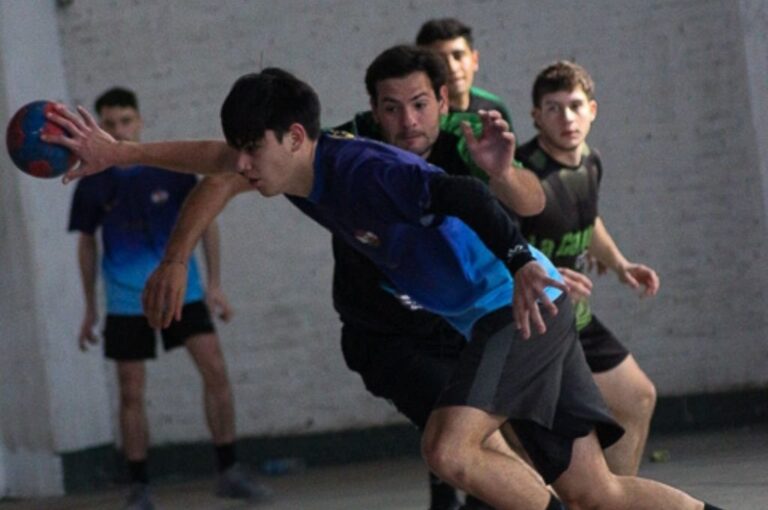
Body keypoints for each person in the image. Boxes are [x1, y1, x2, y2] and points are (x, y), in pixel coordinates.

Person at [50, 70, 723, 510]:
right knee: (595, 490)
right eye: (240, 152)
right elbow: (214, 159)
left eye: (254, 150)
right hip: (513, 313)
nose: (242, 167)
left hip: (516, 309)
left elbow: (460, 191)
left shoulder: (365, 171)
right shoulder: (291, 172)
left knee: (447, 449)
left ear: (294, 136)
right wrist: (123, 153)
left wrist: (521, 262)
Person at [334, 45, 549, 510]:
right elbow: (236, 166)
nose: (407, 121)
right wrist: (176, 257)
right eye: (391, 108)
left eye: (420, 105)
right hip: (390, 332)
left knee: (575, 470)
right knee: (466, 451)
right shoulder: (347, 147)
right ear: (374, 112)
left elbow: (532, 203)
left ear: (444, 102)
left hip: (467, 324)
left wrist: (504, 172)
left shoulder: (467, 140)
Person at [67, 87, 271, 510]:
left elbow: (207, 221)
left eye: (125, 121)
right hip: (126, 300)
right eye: (109, 123)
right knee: (131, 392)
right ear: (101, 126)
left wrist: (214, 284)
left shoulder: (170, 170)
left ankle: (228, 470)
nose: (118, 129)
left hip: (186, 292)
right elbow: (86, 245)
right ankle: (139, 486)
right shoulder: (90, 180)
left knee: (215, 370)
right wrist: (89, 307)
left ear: (138, 122)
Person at [516, 61, 659, 476]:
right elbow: (499, 244)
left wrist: (619, 264)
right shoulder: (522, 175)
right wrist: (545, 275)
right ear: (536, 116)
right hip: (530, 324)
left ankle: (613, 500)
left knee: (638, 397)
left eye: (575, 106)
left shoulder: (590, 162)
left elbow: (587, 218)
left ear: (592, 110)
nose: (567, 118)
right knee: (534, 446)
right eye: (553, 108)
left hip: (574, 318)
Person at [416, 18, 512, 123]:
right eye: (440, 60)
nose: (452, 67)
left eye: (458, 56)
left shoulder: (494, 108)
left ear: (474, 60)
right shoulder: (417, 115)